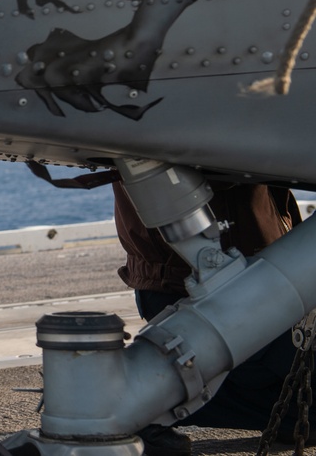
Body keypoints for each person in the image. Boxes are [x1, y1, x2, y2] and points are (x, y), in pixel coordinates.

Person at [113, 181, 313, 456]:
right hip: (214, 286)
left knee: (302, 406)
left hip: (258, 275)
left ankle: (149, 396)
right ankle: (144, 399)